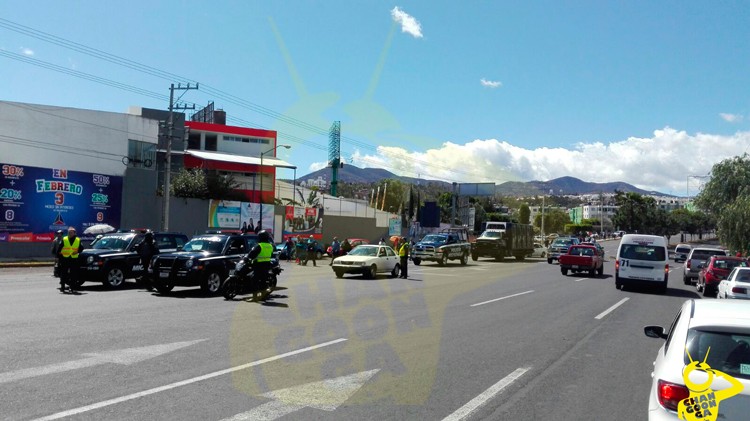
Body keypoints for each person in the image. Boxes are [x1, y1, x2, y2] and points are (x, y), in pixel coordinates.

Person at [56, 226, 83, 292]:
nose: (70, 233)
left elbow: (81, 248)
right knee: (64, 273)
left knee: (73, 274)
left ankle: (72, 287)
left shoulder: (78, 240)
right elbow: (59, 249)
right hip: (65, 258)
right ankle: (62, 286)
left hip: (74, 259)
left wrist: (77, 251)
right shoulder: (64, 239)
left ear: (74, 233)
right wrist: (58, 258)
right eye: (69, 232)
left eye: (71, 232)